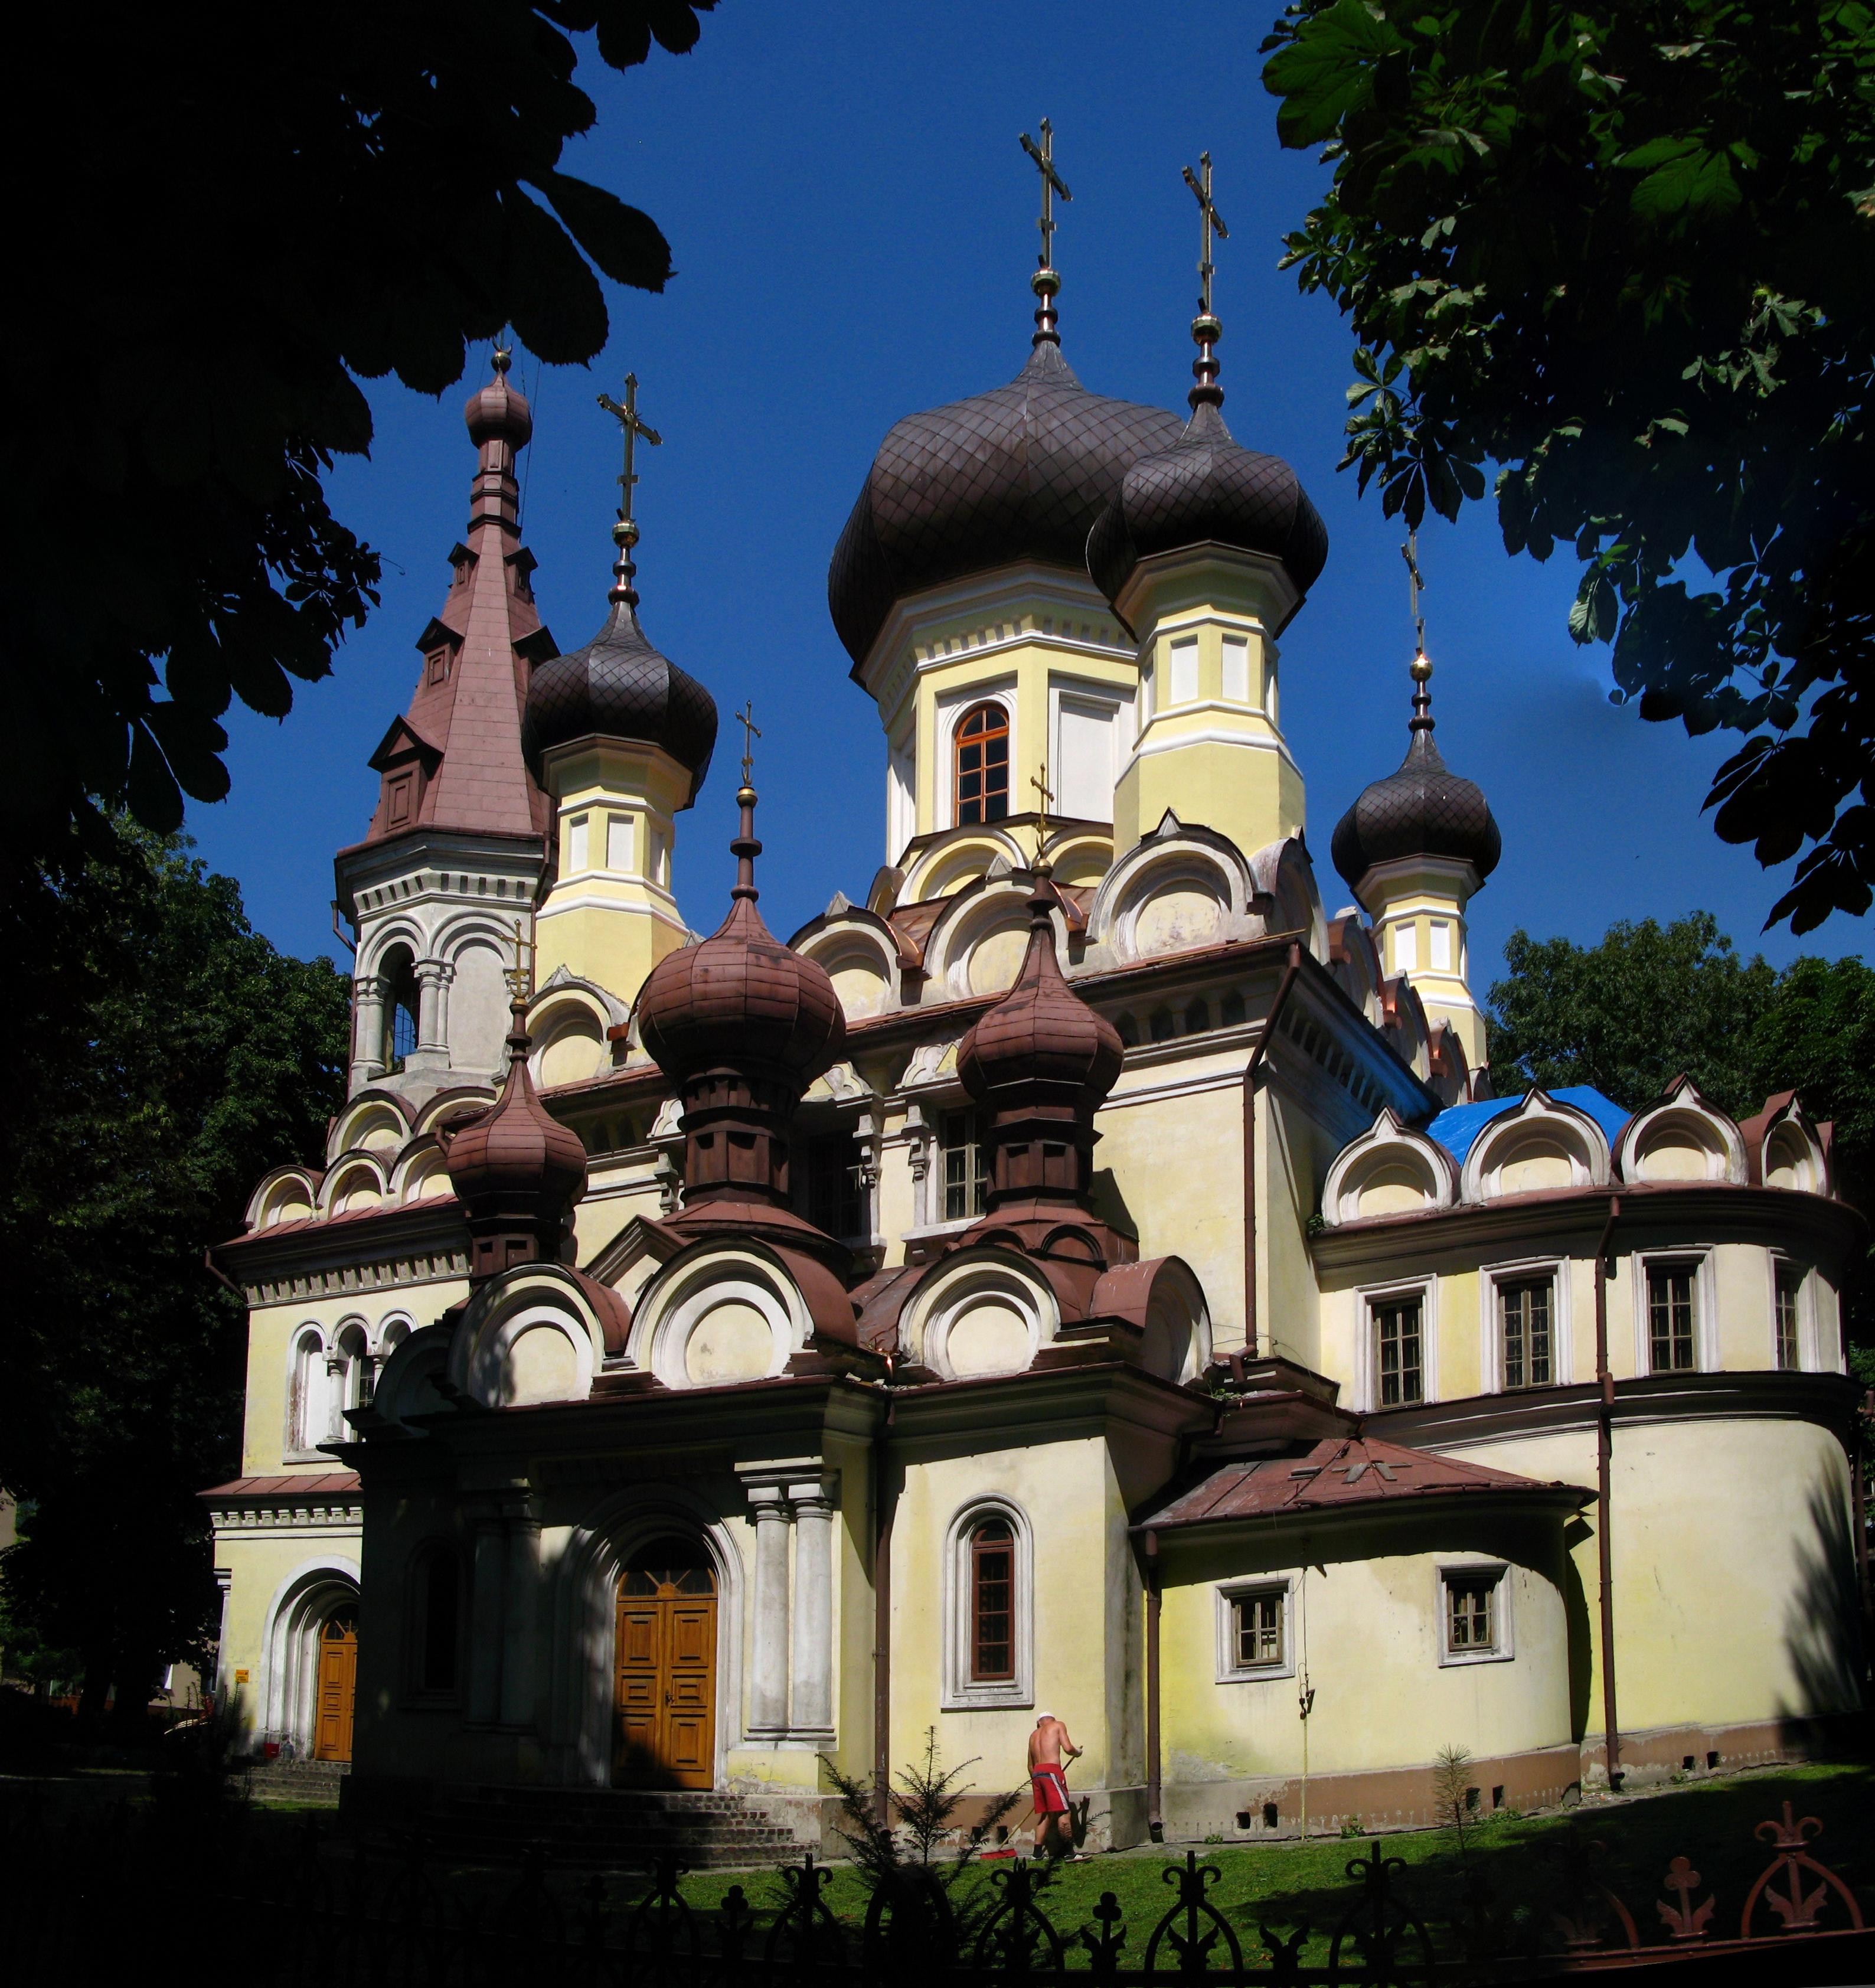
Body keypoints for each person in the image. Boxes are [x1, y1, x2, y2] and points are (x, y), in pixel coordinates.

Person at [1027, 1710, 1086, 1860]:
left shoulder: (1033, 1735)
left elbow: (1030, 1766)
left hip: (1037, 1774)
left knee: (1046, 1814)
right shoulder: (1058, 1725)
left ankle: (1037, 1853)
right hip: (1051, 1771)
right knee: (1063, 1811)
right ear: (1052, 1720)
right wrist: (1077, 1752)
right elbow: (1068, 1748)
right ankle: (1069, 1853)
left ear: (1039, 1722)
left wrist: (1039, 1779)